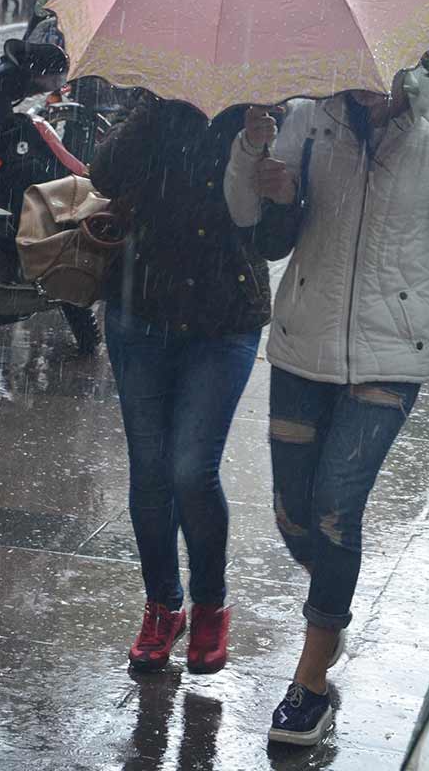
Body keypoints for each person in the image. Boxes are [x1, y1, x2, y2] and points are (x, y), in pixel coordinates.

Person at [223, 58, 429, 748]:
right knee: (295, 516)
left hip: (392, 351)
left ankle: (311, 681)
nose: (363, 84)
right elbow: (245, 214)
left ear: (409, 60)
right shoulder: (307, 119)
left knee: (334, 508)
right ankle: (333, 600)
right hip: (302, 345)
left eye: (378, 71)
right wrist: (255, 160)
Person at [89, 96, 271, 676]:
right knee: (149, 472)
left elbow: (272, 233)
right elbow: (105, 172)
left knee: (191, 469)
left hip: (223, 320)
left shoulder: (263, 106)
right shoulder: (154, 97)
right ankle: (163, 605)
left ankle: (211, 604)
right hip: (141, 309)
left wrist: (261, 153)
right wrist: (154, 104)